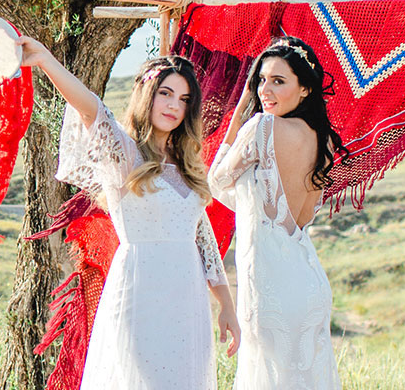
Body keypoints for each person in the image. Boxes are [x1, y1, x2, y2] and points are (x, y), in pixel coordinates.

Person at [19, 36, 240, 390]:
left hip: (188, 298)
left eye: (183, 99)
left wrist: (226, 305)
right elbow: (91, 109)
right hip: (142, 290)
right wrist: (45, 60)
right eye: (165, 93)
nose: (173, 105)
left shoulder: (187, 164)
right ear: (147, 95)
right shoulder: (125, 154)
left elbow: (201, 238)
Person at [208, 36, 348, 390]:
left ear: (305, 89)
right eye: (261, 80)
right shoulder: (323, 141)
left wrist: (240, 111)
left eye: (278, 81)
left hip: (269, 286)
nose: (264, 90)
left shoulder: (261, 127)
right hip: (308, 281)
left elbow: (216, 179)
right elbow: (299, 215)